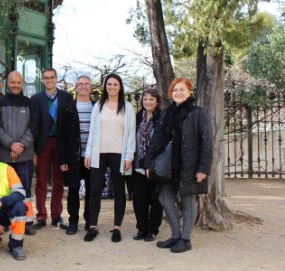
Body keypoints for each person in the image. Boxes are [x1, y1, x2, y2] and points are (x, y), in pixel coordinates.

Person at [145, 77, 212, 253]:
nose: (178, 92)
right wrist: (148, 164)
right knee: (165, 198)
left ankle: (186, 239)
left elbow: (206, 141)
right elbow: (157, 140)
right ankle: (175, 235)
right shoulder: (167, 113)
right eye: (175, 90)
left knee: (188, 201)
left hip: (189, 166)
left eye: (182, 89)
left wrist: (203, 168)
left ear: (189, 92)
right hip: (169, 167)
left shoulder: (197, 113)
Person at [84, 73, 136, 242]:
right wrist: (89, 153)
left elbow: (130, 135)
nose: (112, 87)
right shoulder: (98, 106)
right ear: (105, 87)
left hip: (119, 155)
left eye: (115, 84)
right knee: (94, 190)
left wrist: (129, 156)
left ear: (120, 87)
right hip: (99, 153)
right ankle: (92, 226)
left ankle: (117, 228)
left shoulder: (127, 107)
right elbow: (92, 132)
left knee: (120, 191)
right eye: (109, 84)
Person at [0, 70, 37, 235]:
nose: (15, 85)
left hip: (25, 156)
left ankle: (27, 222)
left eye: (18, 82)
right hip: (5, 156)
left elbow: (34, 127)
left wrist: (21, 145)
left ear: (22, 83)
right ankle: (6, 220)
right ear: (6, 83)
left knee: (25, 190)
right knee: (4, 190)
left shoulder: (30, 103)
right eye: (12, 82)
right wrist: (11, 145)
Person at [30, 67, 73, 229]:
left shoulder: (66, 97)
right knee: (41, 181)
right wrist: (33, 148)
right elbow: (33, 124)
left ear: (56, 79)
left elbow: (69, 124)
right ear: (42, 80)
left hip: (60, 144)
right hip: (42, 143)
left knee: (58, 181)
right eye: (46, 78)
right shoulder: (36, 98)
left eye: (51, 77)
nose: (49, 80)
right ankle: (41, 216)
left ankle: (56, 216)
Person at [57, 75, 94, 235]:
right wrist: (63, 159)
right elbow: (61, 136)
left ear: (91, 88)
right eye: (80, 84)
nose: (84, 87)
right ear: (76, 87)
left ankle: (90, 220)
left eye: (87, 84)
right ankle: (73, 221)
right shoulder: (67, 108)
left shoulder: (97, 107)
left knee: (92, 190)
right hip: (73, 157)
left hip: (92, 156)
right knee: (73, 190)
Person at [132, 89, 164, 242]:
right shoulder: (138, 117)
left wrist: (151, 164)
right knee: (139, 200)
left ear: (157, 102)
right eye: (145, 99)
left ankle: (152, 230)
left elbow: (162, 144)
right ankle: (142, 228)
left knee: (155, 200)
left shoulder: (162, 118)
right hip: (138, 166)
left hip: (155, 167)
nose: (148, 102)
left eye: (151, 99)